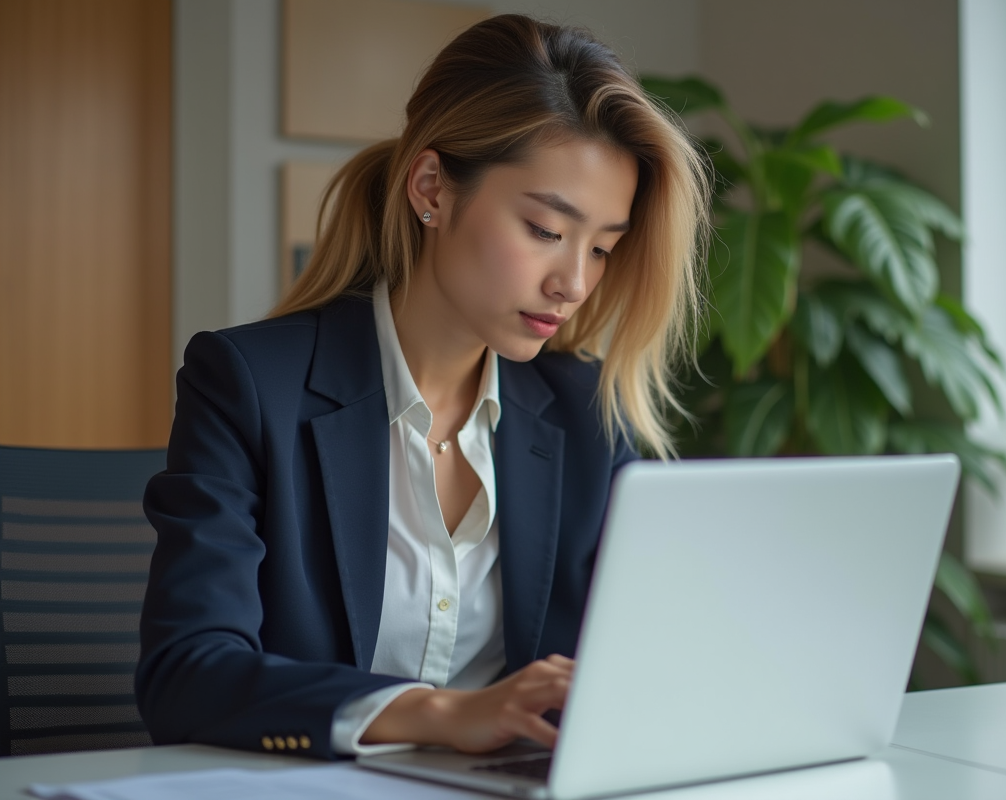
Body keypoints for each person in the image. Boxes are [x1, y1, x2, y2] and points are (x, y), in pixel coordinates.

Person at [136, 13, 709, 761]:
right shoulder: (249, 386)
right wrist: (439, 714)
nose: (574, 282)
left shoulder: (586, 416)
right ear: (433, 188)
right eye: (544, 229)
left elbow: (657, 657)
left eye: (602, 247)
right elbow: (187, 677)